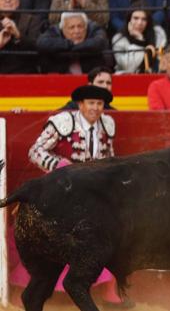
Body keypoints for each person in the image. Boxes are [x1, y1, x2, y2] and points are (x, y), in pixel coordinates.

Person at [24, 84, 129, 307]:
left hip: (92, 194)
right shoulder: (64, 122)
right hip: (63, 190)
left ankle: (109, 292)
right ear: (80, 105)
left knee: (110, 236)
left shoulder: (108, 125)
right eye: (91, 103)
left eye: (100, 104)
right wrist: (62, 166)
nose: (95, 108)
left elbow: (108, 158)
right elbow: (35, 151)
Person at [37, 11, 110, 73]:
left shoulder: (94, 28)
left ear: (86, 27)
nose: (77, 31)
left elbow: (100, 42)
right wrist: (69, 44)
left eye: (80, 26)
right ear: (63, 29)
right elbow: (42, 43)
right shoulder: (54, 30)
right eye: (72, 27)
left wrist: (74, 47)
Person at [0, 0, 44, 73]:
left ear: (17, 2)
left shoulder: (31, 20)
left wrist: (19, 36)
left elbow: (39, 48)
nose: (8, 0)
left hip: (25, 73)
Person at [112, 9, 167, 73]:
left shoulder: (158, 35)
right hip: (129, 78)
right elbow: (129, 68)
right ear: (129, 20)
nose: (139, 23)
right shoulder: (119, 38)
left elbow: (161, 64)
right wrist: (139, 40)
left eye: (144, 19)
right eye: (136, 18)